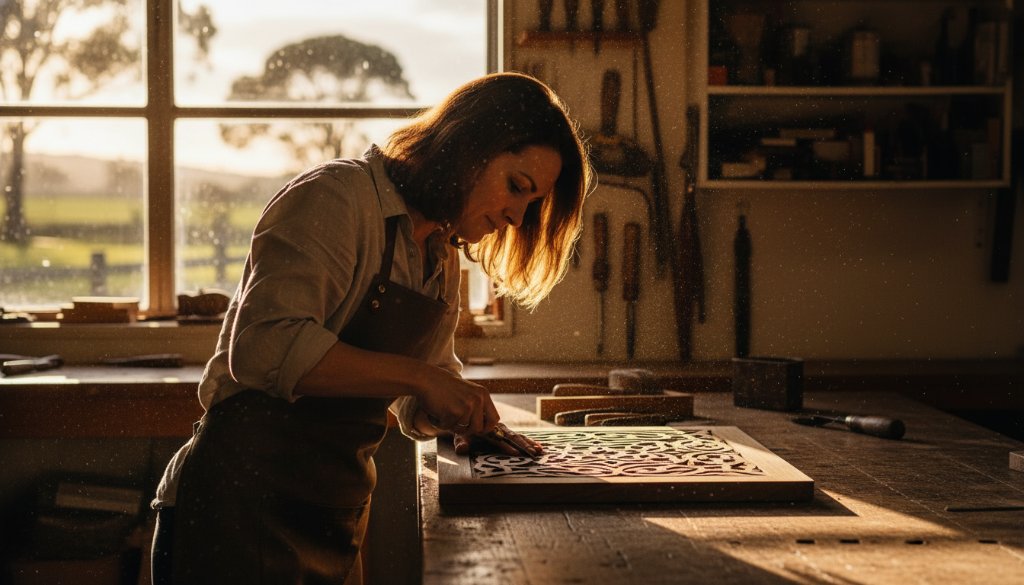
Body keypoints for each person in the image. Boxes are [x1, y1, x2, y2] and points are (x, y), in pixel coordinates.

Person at [150, 72, 593, 585]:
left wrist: (460, 417)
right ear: (469, 147)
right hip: (240, 505)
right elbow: (264, 348)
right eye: (517, 187)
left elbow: (420, 388)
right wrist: (423, 381)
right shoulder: (336, 199)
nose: (517, 216)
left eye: (531, 203)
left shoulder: (439, 251)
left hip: (331, 509)